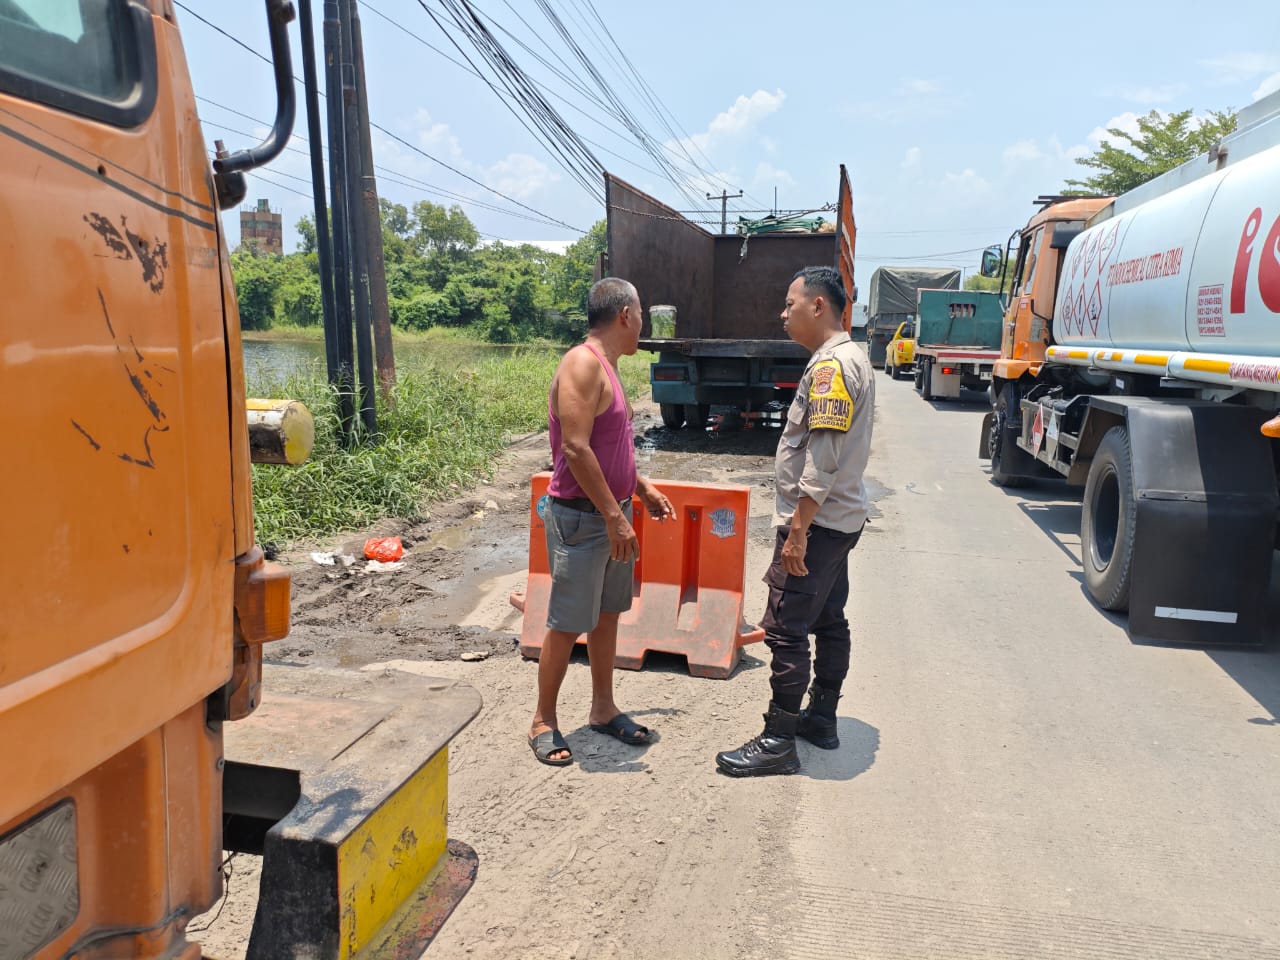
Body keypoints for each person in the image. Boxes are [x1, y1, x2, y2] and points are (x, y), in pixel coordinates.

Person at [716, 266, 875, 777]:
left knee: (786, 629)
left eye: (790, 304)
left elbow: (822, 460)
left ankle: (778, 739)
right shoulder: (850, 357)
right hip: (839, 519)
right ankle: (821, 719)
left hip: (818, 524)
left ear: (818, 306)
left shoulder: (831, 368)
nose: (782, 314)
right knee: (828, 618)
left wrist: (798, 532)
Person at [528, 277, 677, 766]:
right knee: (567, 623)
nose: (643, 325)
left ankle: (602, 707)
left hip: (613, 513)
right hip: (583, 518)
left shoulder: (609, 367)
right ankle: (543, 721)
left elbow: (611, 448)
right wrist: (614, 516)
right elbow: (575, 448)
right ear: (625, 315)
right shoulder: (582, 363)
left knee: (608, 614)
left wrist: (641, 487)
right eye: (642, 316)